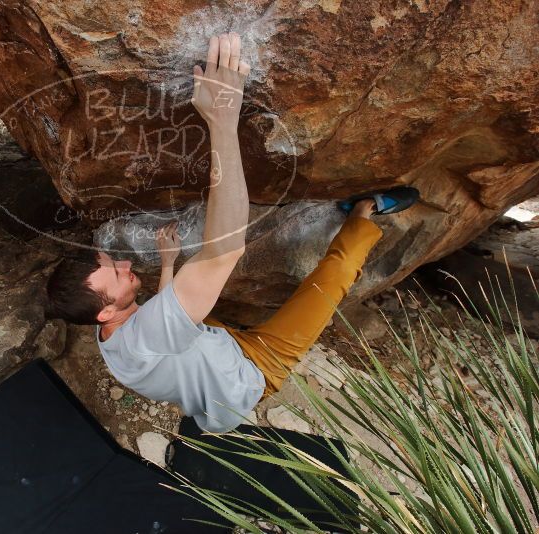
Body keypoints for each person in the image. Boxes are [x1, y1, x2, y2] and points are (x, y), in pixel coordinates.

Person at [45, 32, 418, 433]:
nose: (125, 262)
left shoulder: (110, 336)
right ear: (105, 310)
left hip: (214, 343)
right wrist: (222, 119)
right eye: (116, 272)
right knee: (333, 279)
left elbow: (162, 321)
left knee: (193, 307)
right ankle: (365, 209)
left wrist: (169, 263)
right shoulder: (146, 337)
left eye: (112, 261)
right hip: (257, 368)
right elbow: (224, 250)